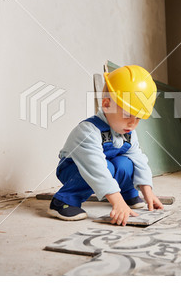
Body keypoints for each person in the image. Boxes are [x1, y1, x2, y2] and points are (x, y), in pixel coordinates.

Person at [48, 65, 163, 226]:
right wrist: (116, 202)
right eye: (128, 114)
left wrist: (147, 190)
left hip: (104, 167)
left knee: (127, 163)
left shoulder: (128, 132)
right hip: (74, 169)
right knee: (107, 167)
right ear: (107, 104)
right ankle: (64, 200)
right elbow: (96, 167)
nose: (133, 123)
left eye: (138, 118)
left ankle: (127, 194)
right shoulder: (88, 131)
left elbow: (139, 160)